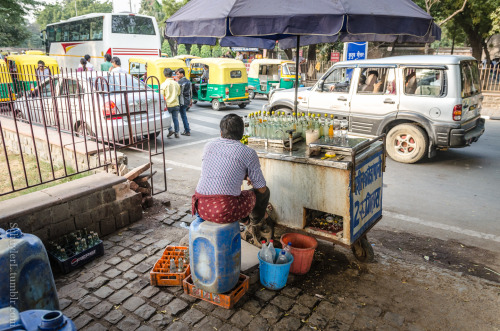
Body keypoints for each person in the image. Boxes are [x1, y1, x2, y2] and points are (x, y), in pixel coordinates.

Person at [192, 114, 270, 243]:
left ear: (221, 133)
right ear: (242, 133)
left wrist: (244, 175)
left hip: (201, 207)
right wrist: (250, 177)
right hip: (224, 211)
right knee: (264, 193)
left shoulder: (208, 146)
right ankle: (253, 224)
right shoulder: (248, 153)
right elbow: (261, 188)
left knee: (235, 194)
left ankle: (244, 219)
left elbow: (218, 169)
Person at [160, 68, 181, 138]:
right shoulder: (176, 83)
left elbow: (161, 95)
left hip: (167, 105)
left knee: (166, 119)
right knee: (175, 119)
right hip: (176, 104)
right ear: (172, 74)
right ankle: (177, 133)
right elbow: (179, 93)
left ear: (164, 75)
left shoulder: (163, 84)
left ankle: (170, 129)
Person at [176, 68, 191, 136]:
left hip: (182, 101)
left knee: (183, 116)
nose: (177, 75)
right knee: (184, 115)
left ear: (182, 74)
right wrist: (191, 100)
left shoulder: (180, 82)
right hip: (187, 100)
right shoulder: (188, 81)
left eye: (178, 74)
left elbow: (179, 93)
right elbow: (191, 92)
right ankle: (187, 129)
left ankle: (187, 130)